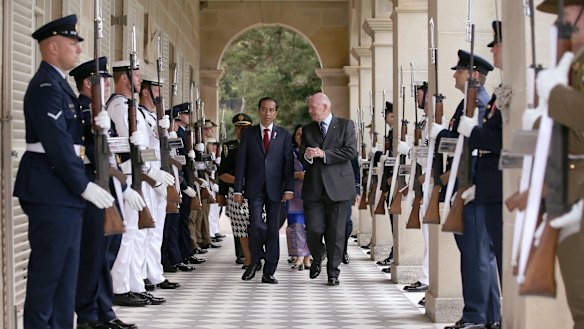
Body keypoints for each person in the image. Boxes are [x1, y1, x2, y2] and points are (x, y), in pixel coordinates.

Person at [13, 15, 115, 329]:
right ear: (53, 47)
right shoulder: (45, 86)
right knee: (48, 277)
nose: (77, 51)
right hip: (50, 190)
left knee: (66, 278)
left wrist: (96, 125)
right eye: (73, 45)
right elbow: (56, 144)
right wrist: (84, 186)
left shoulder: (59, 85)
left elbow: (72, 136)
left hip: (64, 192)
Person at [70, 57, 144, 329]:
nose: (109, 84)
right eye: (103, 81)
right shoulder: (80, 111)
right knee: (93, 255)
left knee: (106, 254)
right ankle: (88, 316)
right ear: (88, 84)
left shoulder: (98, 111)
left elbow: (110, 154)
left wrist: (123, 185)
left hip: (109, 184)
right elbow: (82, 152)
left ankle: (105, 312)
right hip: (91, 187)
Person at [431, 49, 499, 329]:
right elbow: (459, 139)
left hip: (474, 186)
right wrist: (441, 135)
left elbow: (476, 146)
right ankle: (491, 316)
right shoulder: (466, 105)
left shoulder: (481, 104)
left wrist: (468, 185)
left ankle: (476, 316)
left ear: (473, 76)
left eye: (458, 71)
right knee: (478, 254)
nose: (454, 75)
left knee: (476, 255)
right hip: (466, 185)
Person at [529, 2, 584, 327]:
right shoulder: (573, 65)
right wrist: (537, 123)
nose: (562, 24)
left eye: (568, 14)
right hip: (568, 193)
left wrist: (555, 94)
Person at [107, 60, 167, 307]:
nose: (140, 79)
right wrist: (152, 172)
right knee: (128, 234)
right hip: (128, 176)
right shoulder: (120, 106)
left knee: (136, 234)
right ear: (123, 78)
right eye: (136, 74)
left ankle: (135, 284)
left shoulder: (131, 106)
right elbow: (130, 146)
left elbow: (141, 145)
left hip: (136, 174)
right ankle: (120, 288)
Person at [235, 96, 295, 284]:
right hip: (254, 187)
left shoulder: (283, 134)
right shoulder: (249, 134)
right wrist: (238, 189)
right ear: (259, 111)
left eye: (271, 110)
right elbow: (241, 163)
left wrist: (289, 188)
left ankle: (269, 270)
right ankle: (254, 260)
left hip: (276, 189)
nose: (267, 113)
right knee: (255, 225)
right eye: (264, 109)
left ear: (276, 113)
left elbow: (288, 163)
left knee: (272, 229)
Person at [299, 92, 357, 286]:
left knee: (336, 233)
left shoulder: (345, 125)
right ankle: (318, 253)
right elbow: (302, 156)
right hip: (314, 188)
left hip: (339, 188)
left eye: (312, 107)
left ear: (324, 107)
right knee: (314, 229)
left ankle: (333, 272)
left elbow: (350, 152)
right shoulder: (307, 129)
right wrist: (307, 155)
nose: (309, 111)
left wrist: (324, 154)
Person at [138, 76, 182, 290]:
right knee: (146, 229)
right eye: (156, 88)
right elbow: (142, 151)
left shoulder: (153, 117)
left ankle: (154, 274)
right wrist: (153, 173)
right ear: (145, 91)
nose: (160, 92)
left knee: (156, 231)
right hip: (148, 177)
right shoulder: (138, 115)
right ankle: (143, 276)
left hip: (159, 176)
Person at [218, 113, 254, 268]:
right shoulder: (229, 147)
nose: (242, 130)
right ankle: (244, 256)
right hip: (236, 190)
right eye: (239, 127)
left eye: (245, 127)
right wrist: (221, 193)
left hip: (255, 191)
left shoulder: (258, 144)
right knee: (239, 224)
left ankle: (256, 253)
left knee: (255, 224)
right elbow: (222, 173)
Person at [286, 124, 312, 270]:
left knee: (310, 226)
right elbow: (281, 172)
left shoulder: (314, 151)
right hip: (294, 195)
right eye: (298, 134)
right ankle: (299, 256)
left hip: (311, 194)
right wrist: (296, 175)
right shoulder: (289, 152)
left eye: (304, 134)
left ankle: (307, 257)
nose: (301, 137)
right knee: (296, 226)